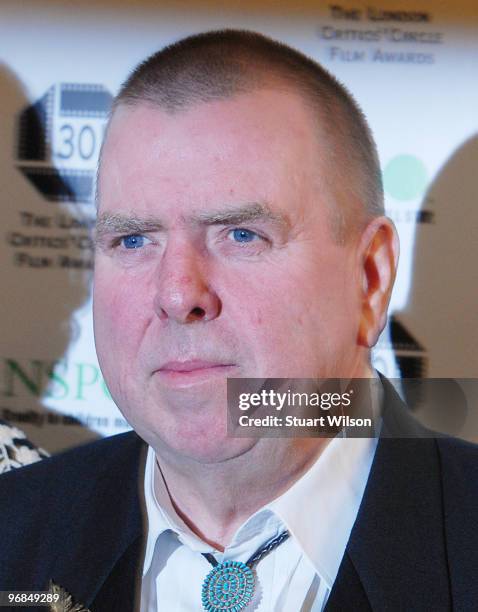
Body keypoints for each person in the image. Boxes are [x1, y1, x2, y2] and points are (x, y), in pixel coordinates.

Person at [0, 29, 476, 612]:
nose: (178, 294)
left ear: (369, 278)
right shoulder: (13, 536)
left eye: (241, 234)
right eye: (132, 239)